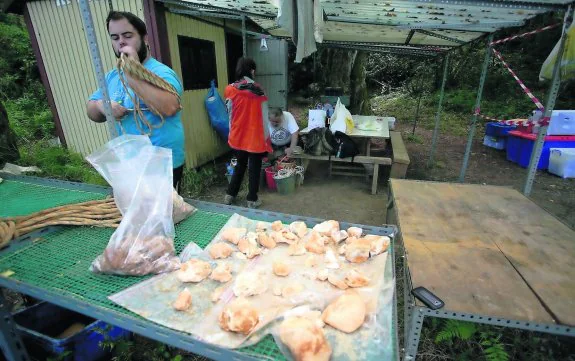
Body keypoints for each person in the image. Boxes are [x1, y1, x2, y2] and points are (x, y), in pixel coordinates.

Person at [86, 11, 185, 191]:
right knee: (135, 214)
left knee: (164, 216)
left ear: (145, 38)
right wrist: (103, 105)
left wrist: (133, 76)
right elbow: (91, 110)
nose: (121, 42)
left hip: (161, 164)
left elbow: (170, 107)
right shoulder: (112, 76)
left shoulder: (161, 73)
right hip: (129, 162)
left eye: (128, 35)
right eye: (115, 37)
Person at [224, 58, 272, 209]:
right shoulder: (260, 91)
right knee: (255, 167)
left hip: (238, 135)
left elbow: (230, 114)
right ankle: (252, 199)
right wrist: (267, 139)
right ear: (252, 70)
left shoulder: (230, 89)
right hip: (255, 136)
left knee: (240, 164)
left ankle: (230, 195)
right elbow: (265, 117)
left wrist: (232, 133)